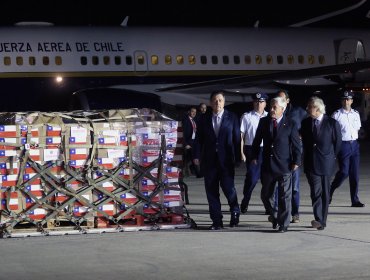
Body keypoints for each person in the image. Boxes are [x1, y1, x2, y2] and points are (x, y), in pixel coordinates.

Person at [251, 97, 301, 233]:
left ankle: (283, 224)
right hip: (268, 165)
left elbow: (297, 145)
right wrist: (254, 156)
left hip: (285, 165)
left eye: (274, 107)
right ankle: (275, 215)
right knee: (266, 195)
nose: (271, 110)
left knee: (285, 196)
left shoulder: (290, 124)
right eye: (271, 107)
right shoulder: (264, 122)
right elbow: (256, 141)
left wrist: (297, 161)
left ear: (283, 109)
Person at [194, 90, 241, 230]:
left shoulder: (232, 117)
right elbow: (198, 140)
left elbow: (237, 139)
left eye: (220, 100)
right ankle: (216, 221)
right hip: (209, 161)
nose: (217, 103)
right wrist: (196, 156)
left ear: (224, 102)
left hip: (226, 161)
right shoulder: (203, 119)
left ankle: (235, 211)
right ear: (210, 103)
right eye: (215, 100)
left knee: (228, 188)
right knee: (211, 191)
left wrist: (238, 157)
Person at [300, 96, 342, 230]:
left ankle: (322, 221)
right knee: (315, 193)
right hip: (311, 163)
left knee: (325, 193)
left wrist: (330, 157)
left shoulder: (332, 123)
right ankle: (318, 218)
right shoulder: (306, 122)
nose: (307, 109)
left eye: (309, 107)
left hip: (326, 163)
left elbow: (338, 144)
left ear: (317, 109)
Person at [276, 90, 308, 223]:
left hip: (293, 155)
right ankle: (280, 212)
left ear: (288, 101)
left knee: (294, 187)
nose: (280, 100)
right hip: (279, 156)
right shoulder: (275, 111)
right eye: (278, 98)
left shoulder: (298, 112)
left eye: (283, 99)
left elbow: (310, 124)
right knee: (279, 186)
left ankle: (295, 213)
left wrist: (301, 135)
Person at [330, 90, 365, 207]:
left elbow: (358, 128)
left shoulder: (355, 114)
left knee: (354, 174)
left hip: (354, 145)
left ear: (352, 101)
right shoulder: (336, 115)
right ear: (342, 101)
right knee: (344, 172)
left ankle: (354, 200)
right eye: (344, 99)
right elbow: (332, 132)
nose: (346, 101)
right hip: (343, 145)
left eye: (348, 99)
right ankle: (331, 189)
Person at [239, 92, 268, 214]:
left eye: (261, 102)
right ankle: (246, 200)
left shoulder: (269, 116)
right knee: (252, 178)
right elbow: (241, 136)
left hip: (266, 150)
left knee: (268, 180)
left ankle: (269, 206)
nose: (258, 104)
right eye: (256, 102)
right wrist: (242, 153)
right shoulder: (246, 116)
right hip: (251, 150)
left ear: (265, 103)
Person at [181, 106, 200, 177]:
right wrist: (186, 144)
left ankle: (197, 172)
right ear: (189, 112)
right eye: (192, 111)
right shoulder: (185, 120)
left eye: (195, 112)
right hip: (188, 142)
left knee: (195, 157)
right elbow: (183, 132)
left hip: (194, 141)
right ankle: (185, 173)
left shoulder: (194, 120)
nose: (194, 113)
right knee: (187, 159)